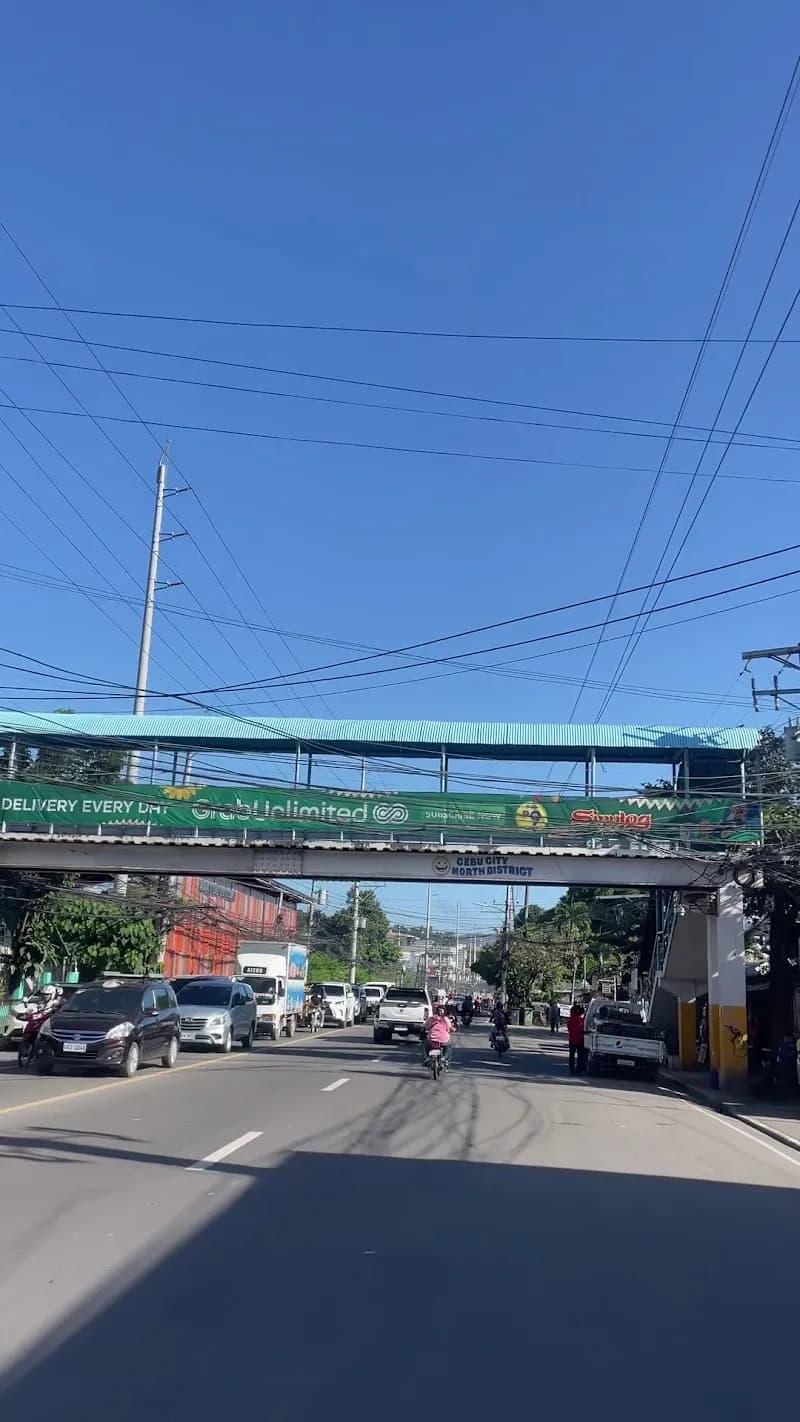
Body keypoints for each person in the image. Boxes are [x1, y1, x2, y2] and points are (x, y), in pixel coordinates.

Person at [423, 1002, 454, 1069]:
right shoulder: (446, 1019)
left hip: (431, 1039)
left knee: (424, 1044)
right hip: (443, 1040)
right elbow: (449, 1028)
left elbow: (426, 1026)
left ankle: (426, 1058)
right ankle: (445, 1058)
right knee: (448, 1045)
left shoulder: (431, 1018)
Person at [567, 1001, 586, 1075]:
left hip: (572, 1040)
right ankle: (578, 1069)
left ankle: (572, 1070)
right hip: (580, 1040)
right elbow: (583, 1030)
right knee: (580, 1056)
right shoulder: (582, 1020)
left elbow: (569, 1029)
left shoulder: (571, 1020)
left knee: (571, 1056)